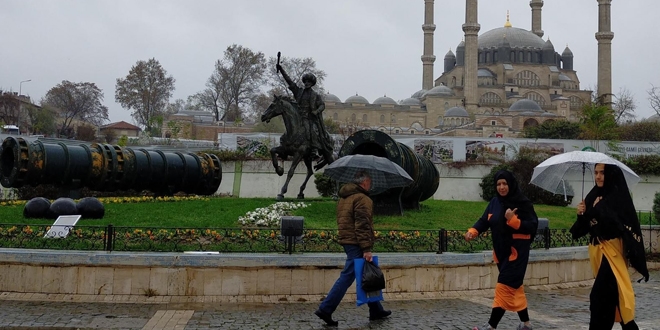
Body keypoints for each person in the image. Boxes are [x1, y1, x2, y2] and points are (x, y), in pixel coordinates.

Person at [570, 163, 649, 330]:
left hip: (613, 254)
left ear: (611, 175)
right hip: (598, 254)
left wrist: (596, 210)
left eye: (602, 173)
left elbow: (613, 227)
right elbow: (578, 232)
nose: (598, 176)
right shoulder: (593, 196)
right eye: (596, 173)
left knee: (598, 296)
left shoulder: (616, 197)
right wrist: (581, 215)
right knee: (614, 299)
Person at [314, 171, 391, 326]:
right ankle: (325, 309)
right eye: (369, 182)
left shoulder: (345, 197)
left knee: (366, 273)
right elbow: (362, 225)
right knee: (348, 276)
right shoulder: (362, 199)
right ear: (364, 183)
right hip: (357, 243)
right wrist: (366, 248)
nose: (370, 185)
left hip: (348, 240)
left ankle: (376, 309)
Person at [465, 170, 538, 330]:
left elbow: (532, 226)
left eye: (505, 183)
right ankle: (526, 324)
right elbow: (485, 220)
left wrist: (513, 220)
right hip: (501, 253)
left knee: (503, 287)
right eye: (498, 184)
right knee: (515, 288)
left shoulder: (522, 204)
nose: (502, 187)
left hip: (516, 254)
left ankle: (491, 326)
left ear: (510, 184)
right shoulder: (494, 202)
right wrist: (473, 231)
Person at [276, 63, 334, 169]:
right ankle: (283, 148)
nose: (307, 83)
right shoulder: (299, 92)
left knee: (310, 130)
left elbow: (322, 105)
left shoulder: (315, 95)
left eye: (309, 82)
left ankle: (314, 150)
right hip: (298, 117)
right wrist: (281, 70)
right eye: (306, 81)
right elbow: (289, 81)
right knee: (287, 133)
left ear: (312, 83)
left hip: (309, 118)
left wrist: (316, 111)